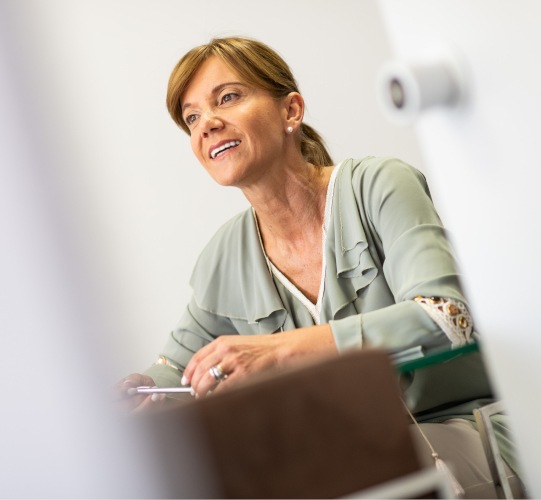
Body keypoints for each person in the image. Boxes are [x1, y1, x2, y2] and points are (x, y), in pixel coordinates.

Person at [113, 37, 522, 497]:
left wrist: (281, 351)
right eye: (191, 118)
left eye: (227, 97)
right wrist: (142, 395)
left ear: (291, 111)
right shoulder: (225, 255)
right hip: (352, 458)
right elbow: (175, 369)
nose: (207, 123)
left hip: (469, 433)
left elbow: (448, 317)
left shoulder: (380, 185)